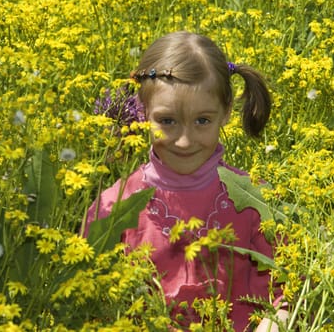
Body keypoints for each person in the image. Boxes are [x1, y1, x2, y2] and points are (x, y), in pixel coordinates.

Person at [83, 31, 284, 331]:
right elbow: (89, 302)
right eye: (167, 121)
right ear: (143, 112)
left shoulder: (254, 200)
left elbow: (286, 291)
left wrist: (276, 320)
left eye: (202, 121)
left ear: (226, 112)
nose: (185, 140)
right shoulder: (114, 207)